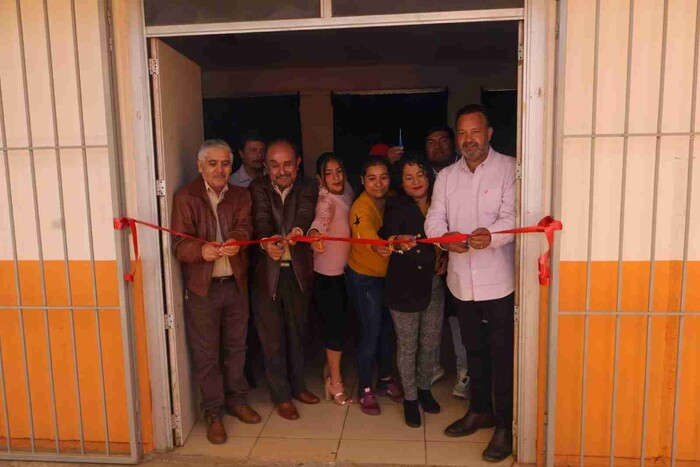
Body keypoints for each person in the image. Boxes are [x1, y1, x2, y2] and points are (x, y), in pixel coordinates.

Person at [425, 104, 516, 462]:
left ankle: (506, 425)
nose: (468, 140)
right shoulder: (447, 177)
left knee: (502, 356)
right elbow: (434, 219)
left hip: (499, 283)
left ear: (489, 133)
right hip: (461, 282)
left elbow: (512, 216)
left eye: (475, 132)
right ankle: (480, 410)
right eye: (462, 133)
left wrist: (490, 235)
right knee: (473, 352)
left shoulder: (509, 168)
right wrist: (444, 239)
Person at [171, 139, 261, 445]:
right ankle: (213, 412)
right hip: (203, 289)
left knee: (237, 349)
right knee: (207, 355)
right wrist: (201, 249)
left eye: (225, 163)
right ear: (200, 166)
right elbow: (179, 245)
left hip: (235, 285)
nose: (220, 169)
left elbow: (247, 227)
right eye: (213, 163)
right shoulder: (186, 197)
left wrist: (236, 238)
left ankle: (237, 401)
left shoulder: (241, 195)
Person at [249, 139, 320, 420]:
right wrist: (267, 242)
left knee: (297, 333)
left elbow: (304, 211)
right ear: (266, 167)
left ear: (298, 163)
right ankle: (281, 396)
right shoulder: (257, 188)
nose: (281, 171)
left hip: (299, 273)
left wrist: (298, 230)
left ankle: (299, 386)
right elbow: (262, 217)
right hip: (267, 275)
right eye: (275, 165)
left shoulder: (308, 186)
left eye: (287, 164)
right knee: (272, 339)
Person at [383, 157, 446, 428]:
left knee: (430, 342)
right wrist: (397, 243)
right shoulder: (395, 205)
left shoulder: (440, 202)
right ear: (401, 182)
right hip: (404, 286)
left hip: (433, 284)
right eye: (408, 177)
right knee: (408, 346)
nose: (416, 181)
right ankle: (410, 398)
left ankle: (424, 389)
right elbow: (388, 238)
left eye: (420, 174)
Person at [346, 156, 404, 416]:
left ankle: (385, 380)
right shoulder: (360, 207)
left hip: (388, 276)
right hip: (365, 277)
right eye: (371, 178)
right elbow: (364, 232)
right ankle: (365, 389)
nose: (378, 183)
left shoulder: (392, 199)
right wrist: (378, 245)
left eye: (383, 177)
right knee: (370, 333)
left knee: (387, 332)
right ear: (362, 181)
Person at [424, 124, 470, 400]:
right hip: (428, 258)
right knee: (429, 315)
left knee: (458, 318)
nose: (437, 146)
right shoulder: (419, 173)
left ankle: (465, 371)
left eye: (443, 141)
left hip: (461, 255)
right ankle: (432, 365)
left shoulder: (464, 172)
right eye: (431, 141)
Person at [307, 153, 355, 406]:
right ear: (320, 178)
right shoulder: (325, 199)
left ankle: (329, 367)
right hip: (328, 275)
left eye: (339, 171)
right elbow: (320, 220)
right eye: (329, 173)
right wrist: (315, 235)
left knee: (343, 326)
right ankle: (335, 380)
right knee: (334, 330)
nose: (336, 177)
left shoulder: (346, 189)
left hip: (346, 271)